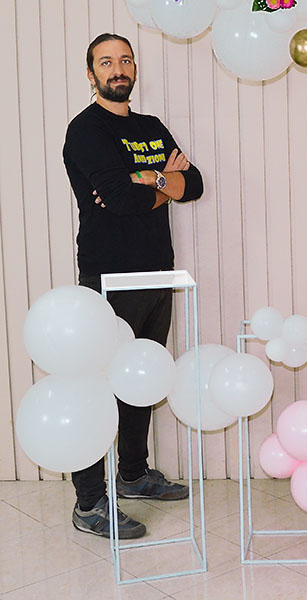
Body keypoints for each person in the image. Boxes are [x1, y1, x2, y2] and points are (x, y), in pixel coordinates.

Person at [62, 33, 204, 539]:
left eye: (124, 60)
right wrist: (162, 177)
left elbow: (198, 184)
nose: (117, 69)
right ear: (91, 73)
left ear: (134, 67)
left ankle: (133, 475)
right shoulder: (85, 130)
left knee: (141, 380)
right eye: (106, 62)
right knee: (99, 389)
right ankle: (88, 503)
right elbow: (119, 200)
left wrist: (147, 183)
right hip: (109, 276)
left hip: (157, 271)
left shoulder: (149, 126)